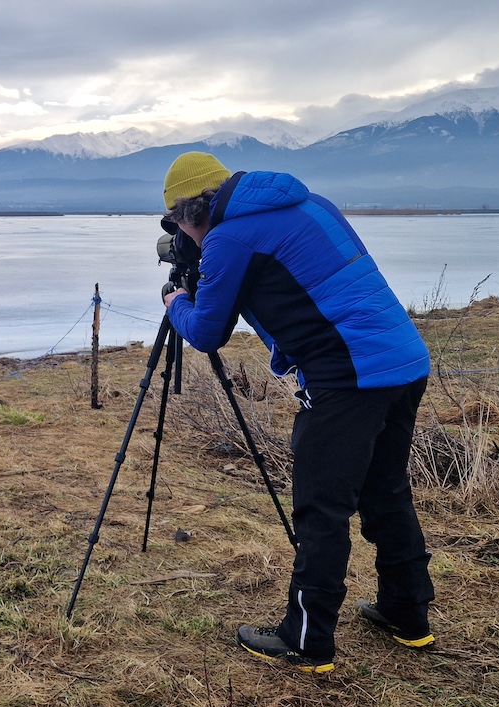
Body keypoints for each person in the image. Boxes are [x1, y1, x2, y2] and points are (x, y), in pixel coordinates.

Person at [160, 151, 436, 674]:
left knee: (321, 507)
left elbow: (206, 332)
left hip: (347, 376)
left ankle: (306, 641)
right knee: (385, 490)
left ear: (190, 213)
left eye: (178, 223)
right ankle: (407, 612)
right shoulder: (313, 204)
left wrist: (177, 302)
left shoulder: (229, 238)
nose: (183, 235)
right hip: (403, 361)